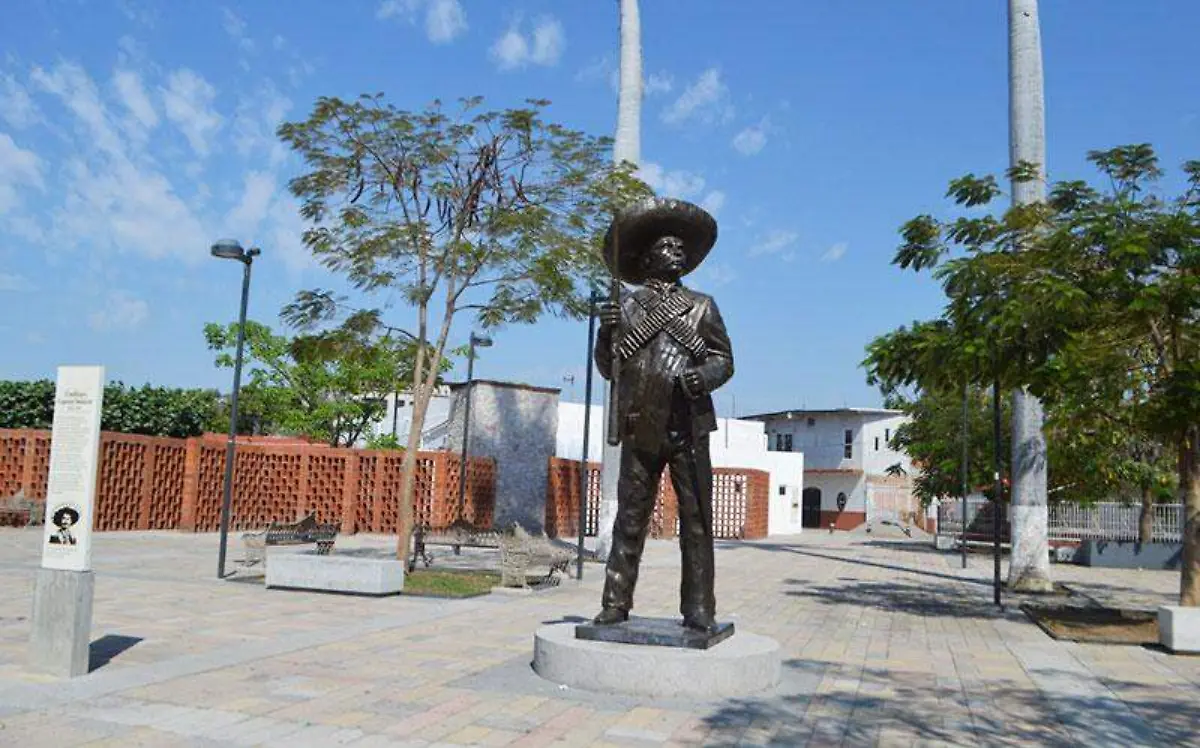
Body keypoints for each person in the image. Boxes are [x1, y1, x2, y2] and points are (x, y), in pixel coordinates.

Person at [592, 197, 734, 633]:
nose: (679, 254)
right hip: (639, 422)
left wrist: (701, 378)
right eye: (668, 247)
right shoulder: (628, 308)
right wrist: (606, 332)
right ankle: (615, 603)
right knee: (630, 520)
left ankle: (699, 608)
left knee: (696, 521)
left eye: (681, 249)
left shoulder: (702, 306)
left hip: (687, 424)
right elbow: (607, 366)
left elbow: (724, 359)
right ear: (647, 257)